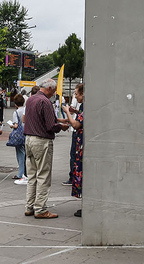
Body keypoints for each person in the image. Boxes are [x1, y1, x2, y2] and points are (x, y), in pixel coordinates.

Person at [23, 79, 69, 219]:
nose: (54, 94)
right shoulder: (45, 101)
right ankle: (41, 209)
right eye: (54, 91)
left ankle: (29, 206)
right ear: (49, 88)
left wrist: (58, 121)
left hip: (28, 139)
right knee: (43, 175)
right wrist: (62, 126)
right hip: (41, 141)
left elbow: (36, 118)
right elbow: (50, 125)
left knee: (32, 176)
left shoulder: (31, 99)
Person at [62, 84, 84, 217]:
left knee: (81, 173)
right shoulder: (83, 106)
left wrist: (68, 113)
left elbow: (76, 124)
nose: (75, 96)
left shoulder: (86, 105)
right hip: (81, 143)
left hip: (82, 143)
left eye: (76, 93)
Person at [10, 94, 28, 185]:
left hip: (19, 135)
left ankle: (21, 173)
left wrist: (11, 125)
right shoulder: (26, 110)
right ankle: (25, 172)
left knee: (20, 155)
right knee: (25, 154)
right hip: (26, 133)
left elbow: (16, 125)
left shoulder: (16, 112)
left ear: (15, 104)